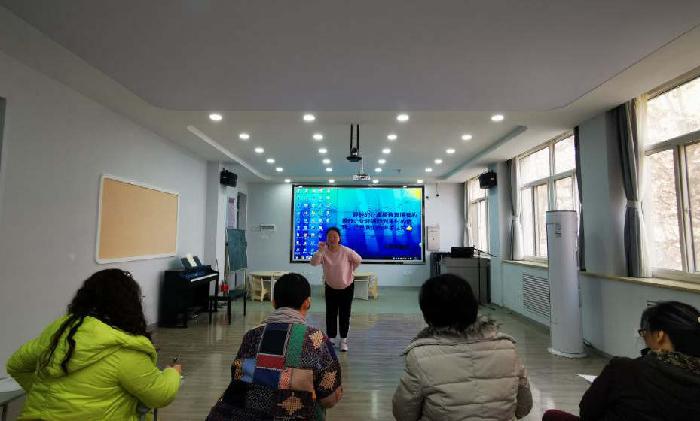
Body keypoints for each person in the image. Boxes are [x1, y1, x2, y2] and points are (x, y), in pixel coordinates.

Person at [7, 269, 181, 420]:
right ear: (130, 305)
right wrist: (172, 373)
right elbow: (160, 395)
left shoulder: (59, 334)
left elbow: (16, 365)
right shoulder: (125, 349)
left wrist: (44, 395)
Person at [393, 274, 532, 421]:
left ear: (427, 313)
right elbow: (523, 408)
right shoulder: (507, 347)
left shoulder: (420, 356)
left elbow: (404, 415)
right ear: (473, 306)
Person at [206, 273, 342, 421]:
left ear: (273, 302)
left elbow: (237, 375)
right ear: (307, 303)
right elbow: (329, 398)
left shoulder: (252, 335)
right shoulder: (316, 339)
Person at [543, 301, 700, 421]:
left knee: (552, 416)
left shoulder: (624, 370)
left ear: (660, 336)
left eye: (644, 333)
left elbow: (587, 412)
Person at [310, 226, 362, 352]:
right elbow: (313, 263)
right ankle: (331, 338)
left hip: (346, 287)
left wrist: (351, 271)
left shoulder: (346, 251)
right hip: (330, 287)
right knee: (331, 314)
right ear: (326, 239)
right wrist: (320, 251)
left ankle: (343, 340)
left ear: (339, 238)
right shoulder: (323, 251)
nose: (332, 238)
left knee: (345, 314)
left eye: (335, 236)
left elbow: (358, 260)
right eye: (329, 236)